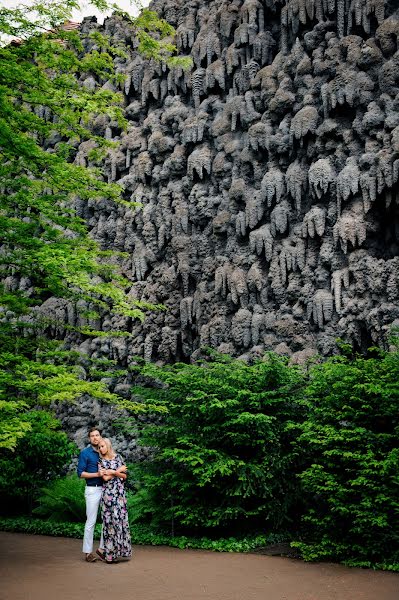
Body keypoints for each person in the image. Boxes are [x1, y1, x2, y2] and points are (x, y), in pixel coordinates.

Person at [96, 437, 132, 564]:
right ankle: (110, 556)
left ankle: (119, 552)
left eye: (102, 446)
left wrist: (113, 472)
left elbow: (125, 476)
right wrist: (117, 471)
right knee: (109, 523)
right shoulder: (100, 461)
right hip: (108, 495)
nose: (101, 448)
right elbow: (105, 479)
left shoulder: (118, 457)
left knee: (120, 522)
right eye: (99, 447)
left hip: (119, 494)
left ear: (108, 445)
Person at [76, 426, 104, 562]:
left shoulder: (105, 451)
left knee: (108, 521)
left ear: (100, 437)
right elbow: (80, 473)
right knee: (91, 522)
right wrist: (97, 474)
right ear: (89, 438)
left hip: (107, 490)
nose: (95, 438)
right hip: (92, 489)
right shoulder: (85, 453)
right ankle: (88, 553)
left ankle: (103, 549)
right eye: (92, 436)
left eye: (97, 435)